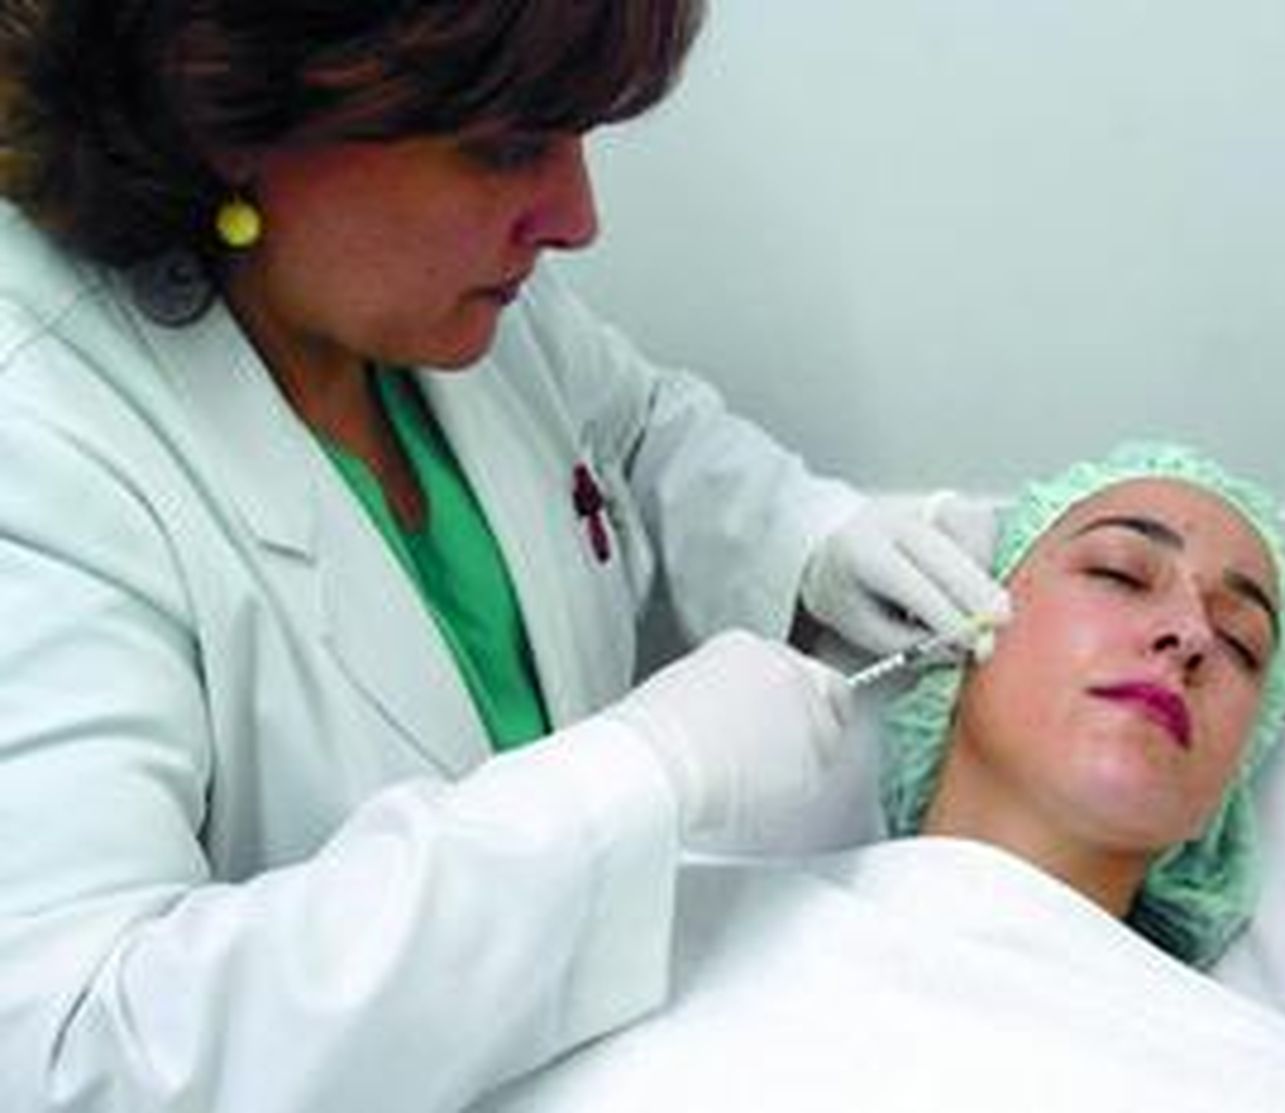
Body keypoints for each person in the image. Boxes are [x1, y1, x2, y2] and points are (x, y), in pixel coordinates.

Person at [0, 4, 1008, 1111]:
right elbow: (73, 1058)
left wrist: (804, 535)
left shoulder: (408, 298)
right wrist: (637, 776)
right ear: (225, 114)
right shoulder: (39, 438)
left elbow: (630, 426)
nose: (578, 220)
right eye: (509, 148)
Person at [497, 443, 1285, 1113]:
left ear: (1232, 780)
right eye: (1118, 573)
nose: (1190, 633)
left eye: (1240, 642)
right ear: (959, 636)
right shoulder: (637, 934)